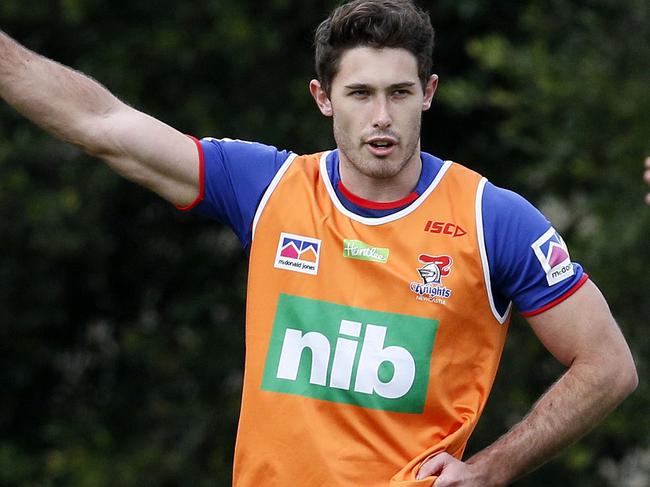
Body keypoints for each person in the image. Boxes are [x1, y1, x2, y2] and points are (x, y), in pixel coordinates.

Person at [0, 1, 638, 485]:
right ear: (323, 99)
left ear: (430, 94)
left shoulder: (491, 218)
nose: (381, 116)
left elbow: (608, 366)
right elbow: (103, 123)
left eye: (400, 92)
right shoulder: (270, 188)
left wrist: (492, 468)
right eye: (360, 93)